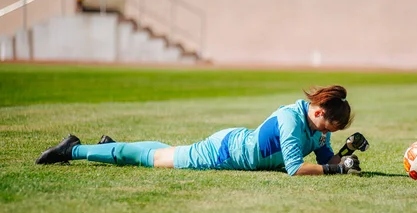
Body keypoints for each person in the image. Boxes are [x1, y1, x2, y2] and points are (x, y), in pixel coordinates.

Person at [35, 85, 370, 175]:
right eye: (332, 125)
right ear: (319, 111)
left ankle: (114, 144)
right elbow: (296, 168)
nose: (331, 133)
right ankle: (74, 149)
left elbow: (326, 158)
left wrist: (347, 154)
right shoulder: (290, 119)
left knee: (161, 152)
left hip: (233, 146)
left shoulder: (318, 128)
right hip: (224, 152)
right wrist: (335, 171)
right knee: (151, 159)